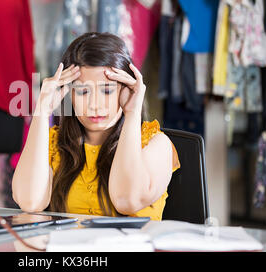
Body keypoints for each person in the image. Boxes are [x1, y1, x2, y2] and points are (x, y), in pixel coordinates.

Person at [12, 32, 180, 220]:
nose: (94, 104)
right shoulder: (53, 144)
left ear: (127, 89)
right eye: (83, 92)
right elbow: (29, 202)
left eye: (107, 90)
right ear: (69, 95)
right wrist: (41, 112)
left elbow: (127, 200)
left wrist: (132, 113)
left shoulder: (155, 144)